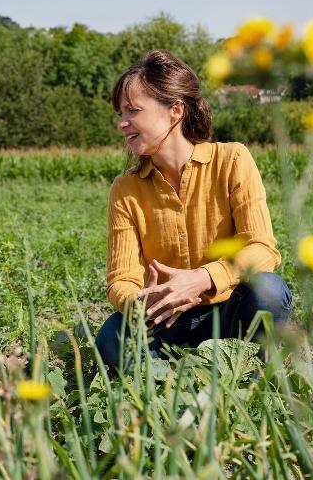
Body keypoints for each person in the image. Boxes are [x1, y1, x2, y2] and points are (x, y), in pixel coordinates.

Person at [96, 50, 292, 372]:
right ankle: (166, 387)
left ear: (174, 111)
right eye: (121, 112)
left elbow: (262, 249)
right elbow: (122, 277)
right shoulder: (125, 188)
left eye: (133, 111)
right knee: (111, 337)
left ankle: (247, 373)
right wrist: (137, 302)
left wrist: (201, 279)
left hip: (229, 310)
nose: (122, 123)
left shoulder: (232, 160)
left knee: (268, 290)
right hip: (165, 319)